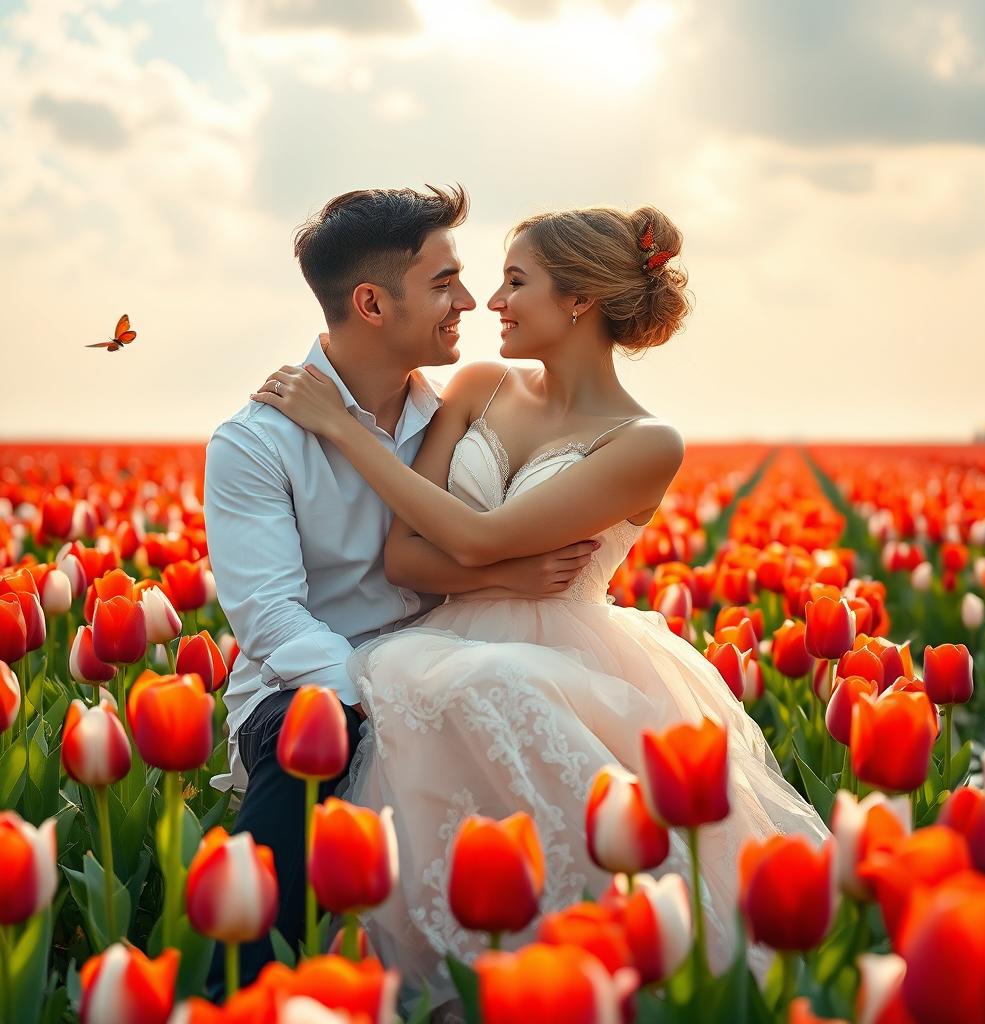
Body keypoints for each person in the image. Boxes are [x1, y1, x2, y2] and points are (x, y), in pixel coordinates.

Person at [252, 203, 829, 1007]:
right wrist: (504, 581)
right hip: (444, 636)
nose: (491, 303)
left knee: (503, 700)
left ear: (581, 301)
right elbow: (407, 554)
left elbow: (478, 538)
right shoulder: (483, 387)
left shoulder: (646, 442)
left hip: (574, 653)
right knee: (451, 696)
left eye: (516, 282)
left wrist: (344, 435)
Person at [203, 185, 602, 989]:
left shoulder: (459, 411)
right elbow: (273, 620)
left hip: (460, 656)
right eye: (444, 283)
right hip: (316, 677)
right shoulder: (255, 443)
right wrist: (378, 691)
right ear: (372, 303)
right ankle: (238, 989)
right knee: (310, 742)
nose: (469, 302)